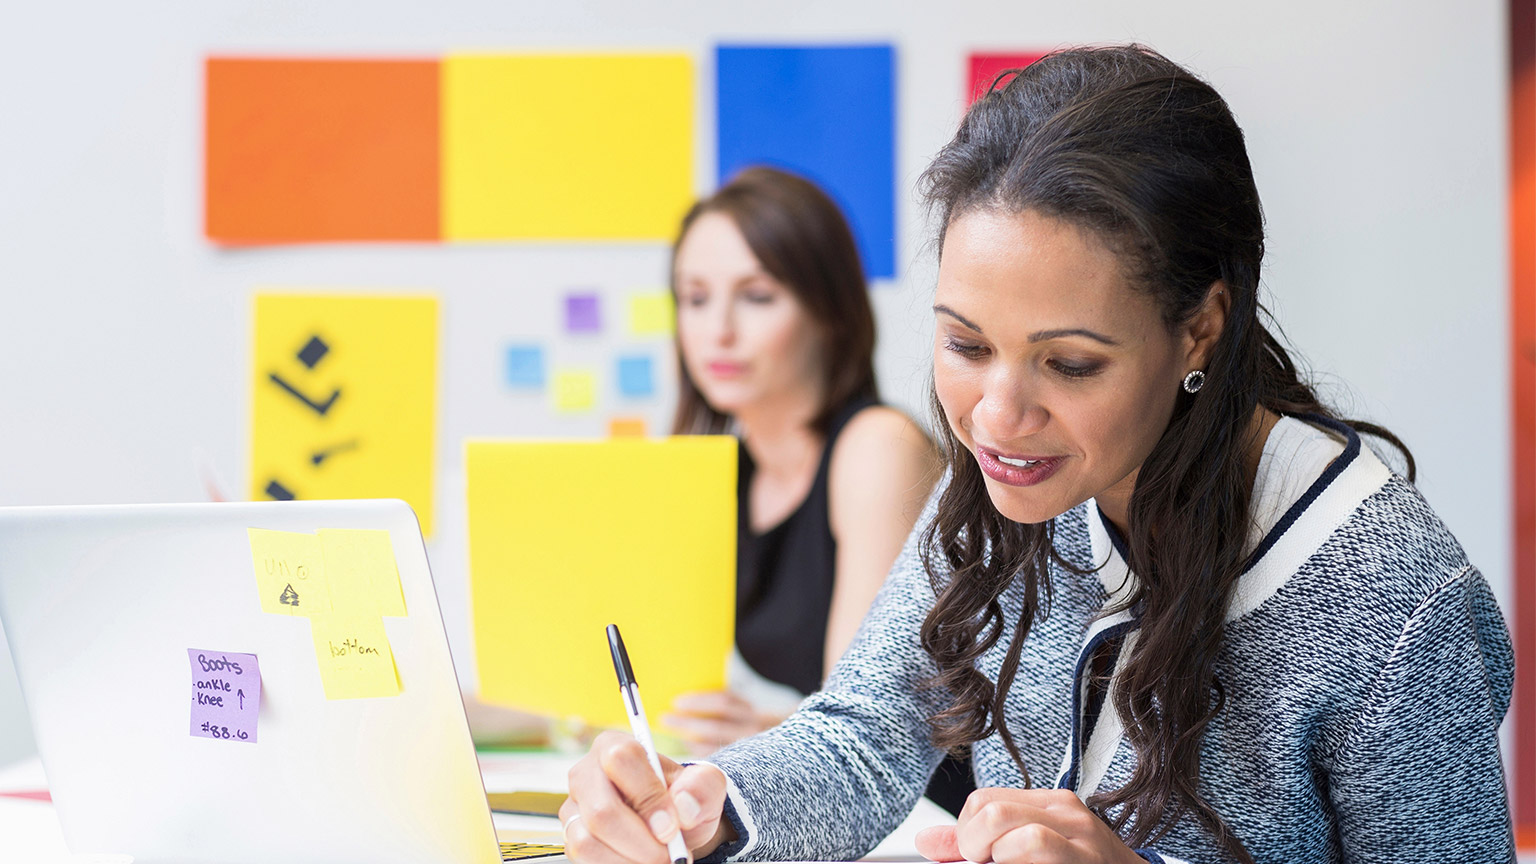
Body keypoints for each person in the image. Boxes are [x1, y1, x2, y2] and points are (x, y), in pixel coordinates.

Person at [557, 45, 1515, 864]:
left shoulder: (1387, 591)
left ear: (1199, 331)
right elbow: (860, 742)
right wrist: (705, 798)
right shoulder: (1006, 486)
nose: (998, 418)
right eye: (966, 346)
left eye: (1069, 362)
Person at [659, 166, 976, 808]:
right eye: (695, 298)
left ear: (827, 311)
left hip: (925, 816)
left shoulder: (876, 449)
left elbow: (873, 733)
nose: (717, 330)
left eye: (757, 296)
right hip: (816, 804)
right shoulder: (716, 468)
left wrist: (767, 736)